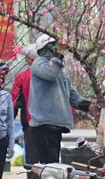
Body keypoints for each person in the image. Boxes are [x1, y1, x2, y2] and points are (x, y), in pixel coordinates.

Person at [28, 35, 92, 165]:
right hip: (44, 125)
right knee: (50, 166)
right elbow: (50, 73)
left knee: (53, 165)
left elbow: (73, 97)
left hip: (56, 126)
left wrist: (91, 107)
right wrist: (61, 52)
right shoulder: (39, 63)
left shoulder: (61, 71)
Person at [13, 46, 36, 164]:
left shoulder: (22, 76)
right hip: (51, 123)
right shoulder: (53, 75)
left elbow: (15, 101)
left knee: (32, 160)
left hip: (30, 122)